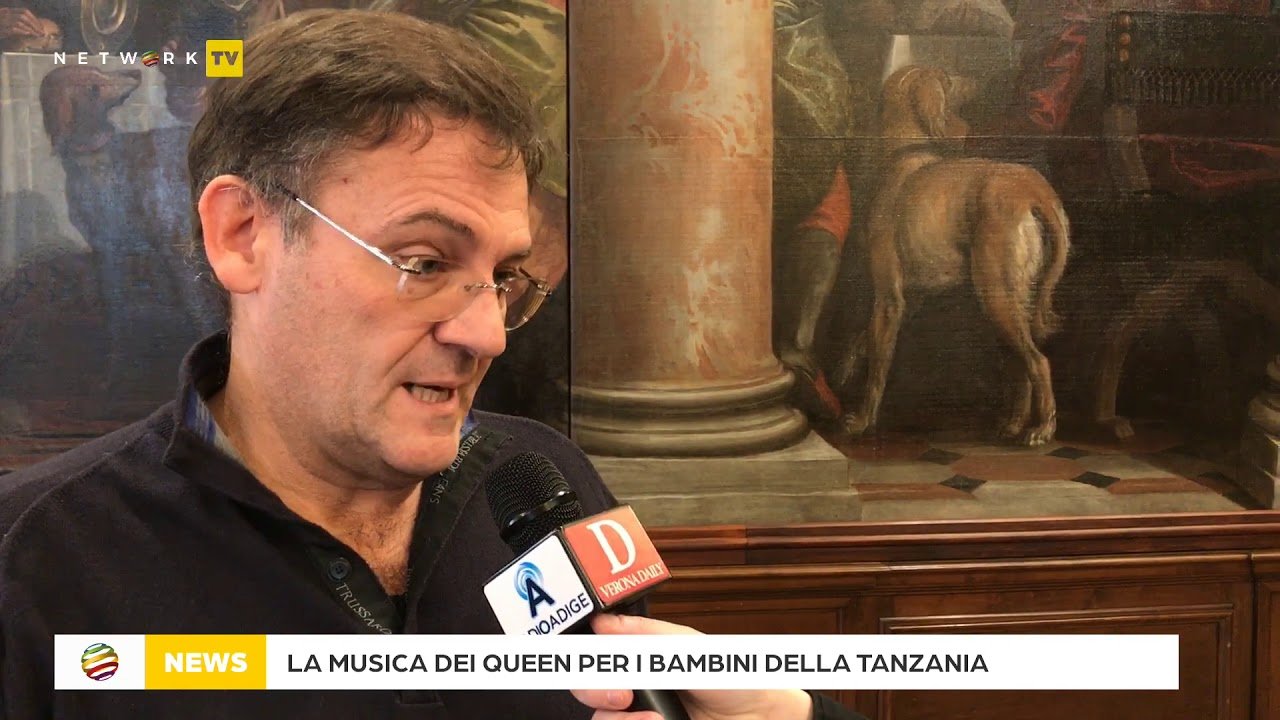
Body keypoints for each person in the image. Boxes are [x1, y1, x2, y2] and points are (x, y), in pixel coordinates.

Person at [0, 9, 865, 720]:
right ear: (244, 234)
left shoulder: (543, 480)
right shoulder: (39, 563)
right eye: (422, 262)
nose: (487, 334)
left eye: (505, 276)